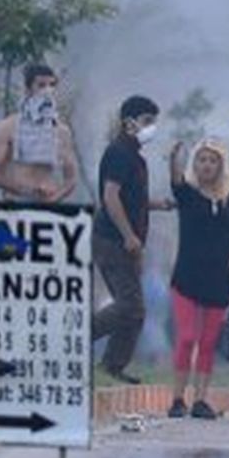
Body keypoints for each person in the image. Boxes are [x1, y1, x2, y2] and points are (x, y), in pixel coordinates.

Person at [166, 139, 229, 420]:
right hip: (186, 278)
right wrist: (174, 158)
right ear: (195, 164)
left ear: (221, 166)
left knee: (208, 341)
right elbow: (175, 181)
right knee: (187, 337)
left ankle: (200, 400)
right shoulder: (187, 194)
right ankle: (178, 399)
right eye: (201, 159)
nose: (207, 165)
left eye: (212, 160)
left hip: (217, 280)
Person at [91, 95, 169, 383]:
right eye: (148, 121)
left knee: (136, 310)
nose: (152, 128)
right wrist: (128, 235)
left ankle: (112, 366)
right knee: (130, 306)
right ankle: (77, 339)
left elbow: (130, 198)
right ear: (129, 122)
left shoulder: (134, 157)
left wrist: (157, 204)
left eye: (154, 122)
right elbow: (110, 196)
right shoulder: (119, 152)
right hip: (112, 240)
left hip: (126, 242)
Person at [0, 64, 79, 203]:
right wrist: (26, 190)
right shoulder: (7, 127)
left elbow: (71, 179)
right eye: (41, 85)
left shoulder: (62, 131)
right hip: (16, 203)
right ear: (28, 89)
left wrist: (54, 198)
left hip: (49, 204)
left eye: (52, 85)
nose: (48, 91)